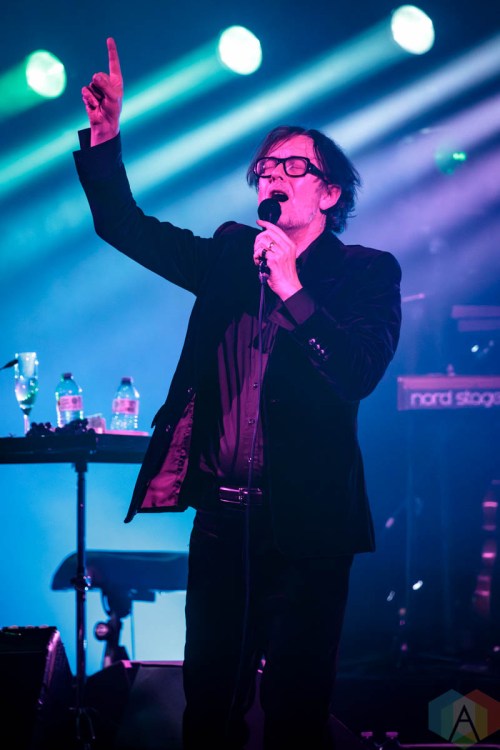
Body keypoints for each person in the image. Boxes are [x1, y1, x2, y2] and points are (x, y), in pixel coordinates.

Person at [74, 37, 402, 750]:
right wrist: (105, 140)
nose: (273, 175)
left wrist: (292, 288)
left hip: (310, 531)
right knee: (210, 704)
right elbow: (123, 227)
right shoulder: (229, 255)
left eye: (293, 166)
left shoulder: (367, 273)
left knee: (295, 711)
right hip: (222, 525)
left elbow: (358, 373)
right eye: (265, 168)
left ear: (329, 193)